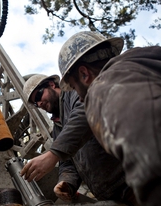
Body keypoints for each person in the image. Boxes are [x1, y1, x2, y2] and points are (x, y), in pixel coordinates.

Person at [57, 31, 161, 205]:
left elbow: (150, 148)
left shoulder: (103, 87)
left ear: (84, 74)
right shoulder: (146, 63)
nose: (81, 99)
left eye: (75, 88)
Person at [20, 74, 137, 204]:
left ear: (51, 85)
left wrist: (53, 154)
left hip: (133, 180)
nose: (40, 103)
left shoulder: (75, 94)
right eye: (36, 103)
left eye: (38, 96)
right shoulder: (58, 128)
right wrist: (66, 182)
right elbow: (68, 162)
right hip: (110, 195)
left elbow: (84, 114)